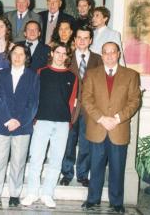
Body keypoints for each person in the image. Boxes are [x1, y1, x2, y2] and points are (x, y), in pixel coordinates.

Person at [82, 42, 141, 214]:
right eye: (105, 52)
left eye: (112, 52)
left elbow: (135, 101)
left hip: (118, 128)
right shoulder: (92, 74)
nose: (108, 56)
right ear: (101, 55)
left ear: (118, 54)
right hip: (97, 127)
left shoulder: (131, 75)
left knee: (117, 168)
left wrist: (116, 119)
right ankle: (92, 199)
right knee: (95, 167)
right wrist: (101, 118)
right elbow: (87, 99)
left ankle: (116, 202)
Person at [22, 43, 78, 208]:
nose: (61, 56)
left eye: (64, 53)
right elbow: (34, 97)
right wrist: (34, 119)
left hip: (61, 123)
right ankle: (32, 192)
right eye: (58, 52)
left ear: (67, 56)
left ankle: (47, 193)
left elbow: (72, 102)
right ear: (52, 53)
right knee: (36, 159)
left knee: (56, 160)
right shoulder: (41, 72)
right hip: (42, 121)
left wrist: (68, 123)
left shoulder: (72, 76)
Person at [0, 44, 40, 208]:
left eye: (21, 54)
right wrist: (7, 120)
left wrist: (18, 121)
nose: (17, 57)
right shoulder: (0, 74)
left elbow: (33, 102)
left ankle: (14, 194)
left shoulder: (33, 76)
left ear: (26, 57)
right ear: (10, 57)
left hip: (22, 127)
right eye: (14, 54)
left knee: (18, 163)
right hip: (1, 125)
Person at [60, 26, 103, 187]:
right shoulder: (66, 58)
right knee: (68, 142)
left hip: (90, 109)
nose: (82, 41)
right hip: (70, 108)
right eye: (79, 37)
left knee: (86, 142)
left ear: (90, 40)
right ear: (74, 39)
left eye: (86, 38)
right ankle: (67, 173)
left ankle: (83, 174)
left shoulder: (98, 59)